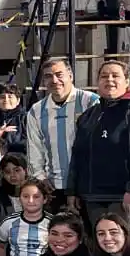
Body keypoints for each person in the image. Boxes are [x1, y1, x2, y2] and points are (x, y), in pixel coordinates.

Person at [67, 59, 130, 240]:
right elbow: (78, 155)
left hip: (126, 196)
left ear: (126, 82)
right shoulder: (89, 116)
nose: (109, 80)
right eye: (104, 76)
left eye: (115, 75)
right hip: (92, 197)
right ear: (98, 82)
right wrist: (72, 190)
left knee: (125, 249)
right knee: (100, 250)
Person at [25, 57, 99, 205]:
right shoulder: (36, 110)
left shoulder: (91, 102)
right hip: (53, 187)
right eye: (48, 76)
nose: (54, 80)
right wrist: (40, 178)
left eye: (59, 74)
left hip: (88, 185)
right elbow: (34, 149)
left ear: (70, 76)